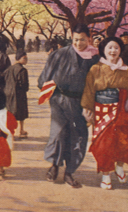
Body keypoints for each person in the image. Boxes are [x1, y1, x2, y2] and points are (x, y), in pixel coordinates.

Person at [37, 23, 99, 188]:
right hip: (60, 100)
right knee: (58, 133)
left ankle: (70, 172)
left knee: (78, 136)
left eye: (83, 40)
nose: (79, 43)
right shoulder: (59, 55)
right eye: (76, 40)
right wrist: (50, 90)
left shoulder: (95, 58)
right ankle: (54, 166)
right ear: (72, 38)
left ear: (89, 39)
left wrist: (91, 106)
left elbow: (98, 84)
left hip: (82, 103)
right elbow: (43, 79)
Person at [81, 36, 128, 189]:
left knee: (122, 141)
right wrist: (87, 108)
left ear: (120, 50)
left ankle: (119, 166)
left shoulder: (126, 70)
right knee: (103, 144)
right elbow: (89, 90)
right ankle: (106, 174)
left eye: (116, 48)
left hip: (120, 110)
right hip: (101, 110)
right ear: (103, 50)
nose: (113, 51)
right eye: (110, 48)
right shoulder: (96, 69)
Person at [4, 50, 29, 138]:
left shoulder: (9, 69)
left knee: (10, 112)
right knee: (21, 112)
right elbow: (25, 85)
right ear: (19, 59)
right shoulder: (22, 70)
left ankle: (10, 131)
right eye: (24, 58)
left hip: (8, 93)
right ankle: (21, 130)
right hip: (19, 93)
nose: (26, 60)